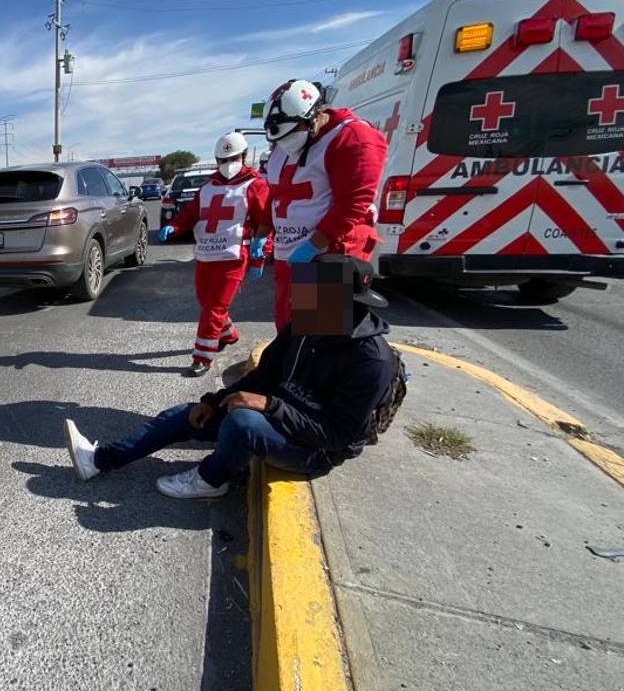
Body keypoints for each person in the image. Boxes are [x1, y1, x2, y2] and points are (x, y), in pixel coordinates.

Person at [62, 255, 397, 499]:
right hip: (279, 417)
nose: (296, 299)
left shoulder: (371, 360)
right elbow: (263, 376)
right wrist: (214, 402)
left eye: (310, 294)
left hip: (315, 450)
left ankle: (212, 480)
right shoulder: (306, 326)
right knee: (183, 414)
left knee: (243, 423)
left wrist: (269, 406)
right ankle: (99, 461)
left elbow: (336, 436)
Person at [262, 79, 388, 331]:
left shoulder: (352, 138)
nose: (286, 143)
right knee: (287, 324)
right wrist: (262, 233)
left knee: (319, 330)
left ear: (314, 115)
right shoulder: (287, 141)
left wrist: (313, 246)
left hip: (328, 251)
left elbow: (354, 202)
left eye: (293, 132)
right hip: (290, 251)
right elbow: (277, 193)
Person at [157, 131, 271, 377]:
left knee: (213, 307)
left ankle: (202, 357)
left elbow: (265, 222)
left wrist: (260, 255)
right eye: (223, 160)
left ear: (243, 157)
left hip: (233, 256)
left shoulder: (255, 185)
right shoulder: (207, 188)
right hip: (206, 254)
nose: (228, 164)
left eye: (233, 159)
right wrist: (174, 227)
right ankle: (228, 334)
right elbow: (190, 214)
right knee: (205, 302)